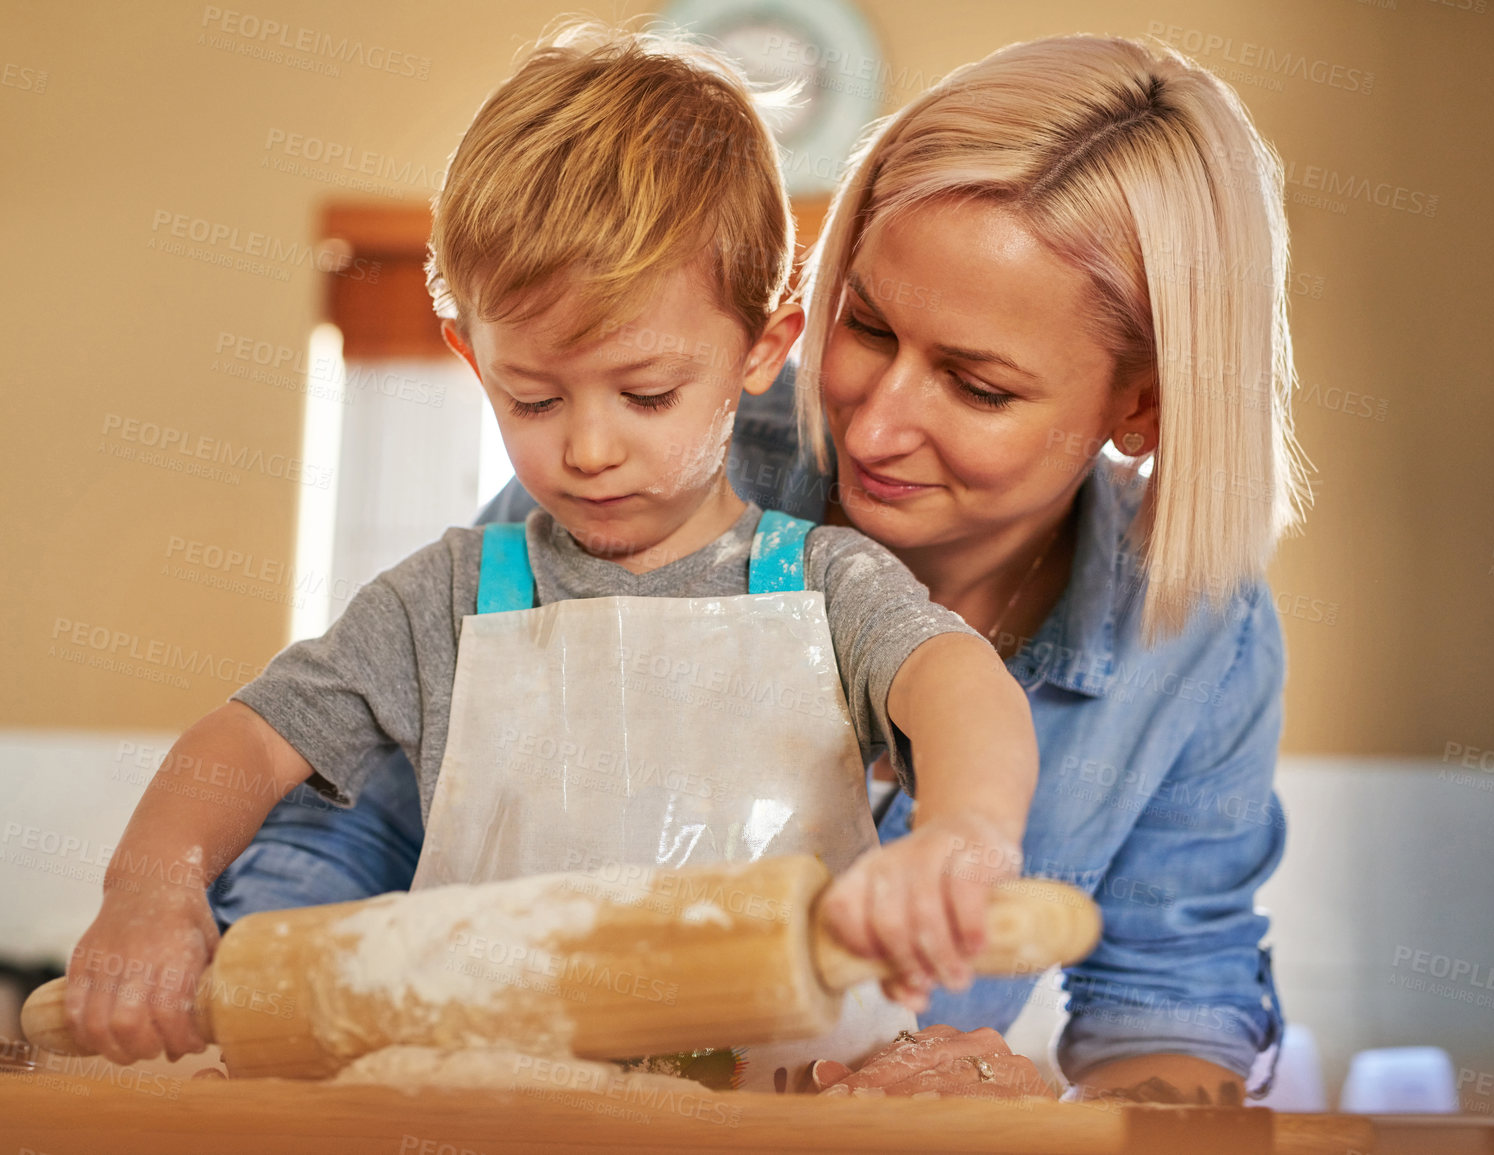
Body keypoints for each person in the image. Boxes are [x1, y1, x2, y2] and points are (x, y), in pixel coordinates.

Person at [217, 32, 1306, 1104]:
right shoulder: (661, 459)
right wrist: (231, 1022)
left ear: (1145, 404)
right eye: (868, 326)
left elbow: (1170, 1011)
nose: (874, 429)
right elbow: (352, 821)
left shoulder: (1201, 641)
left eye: (978, 388)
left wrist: (1003, 1093)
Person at [62, 23, 1042, 1084]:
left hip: (772, 1122)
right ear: (468, 354)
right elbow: (246, 743)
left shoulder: (823, 584)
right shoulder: (449, 600)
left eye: (646, 394)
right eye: (530, 397)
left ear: (763, 347)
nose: (586, 448)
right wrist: (150, 892)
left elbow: (955, 678)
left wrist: (966, 831)